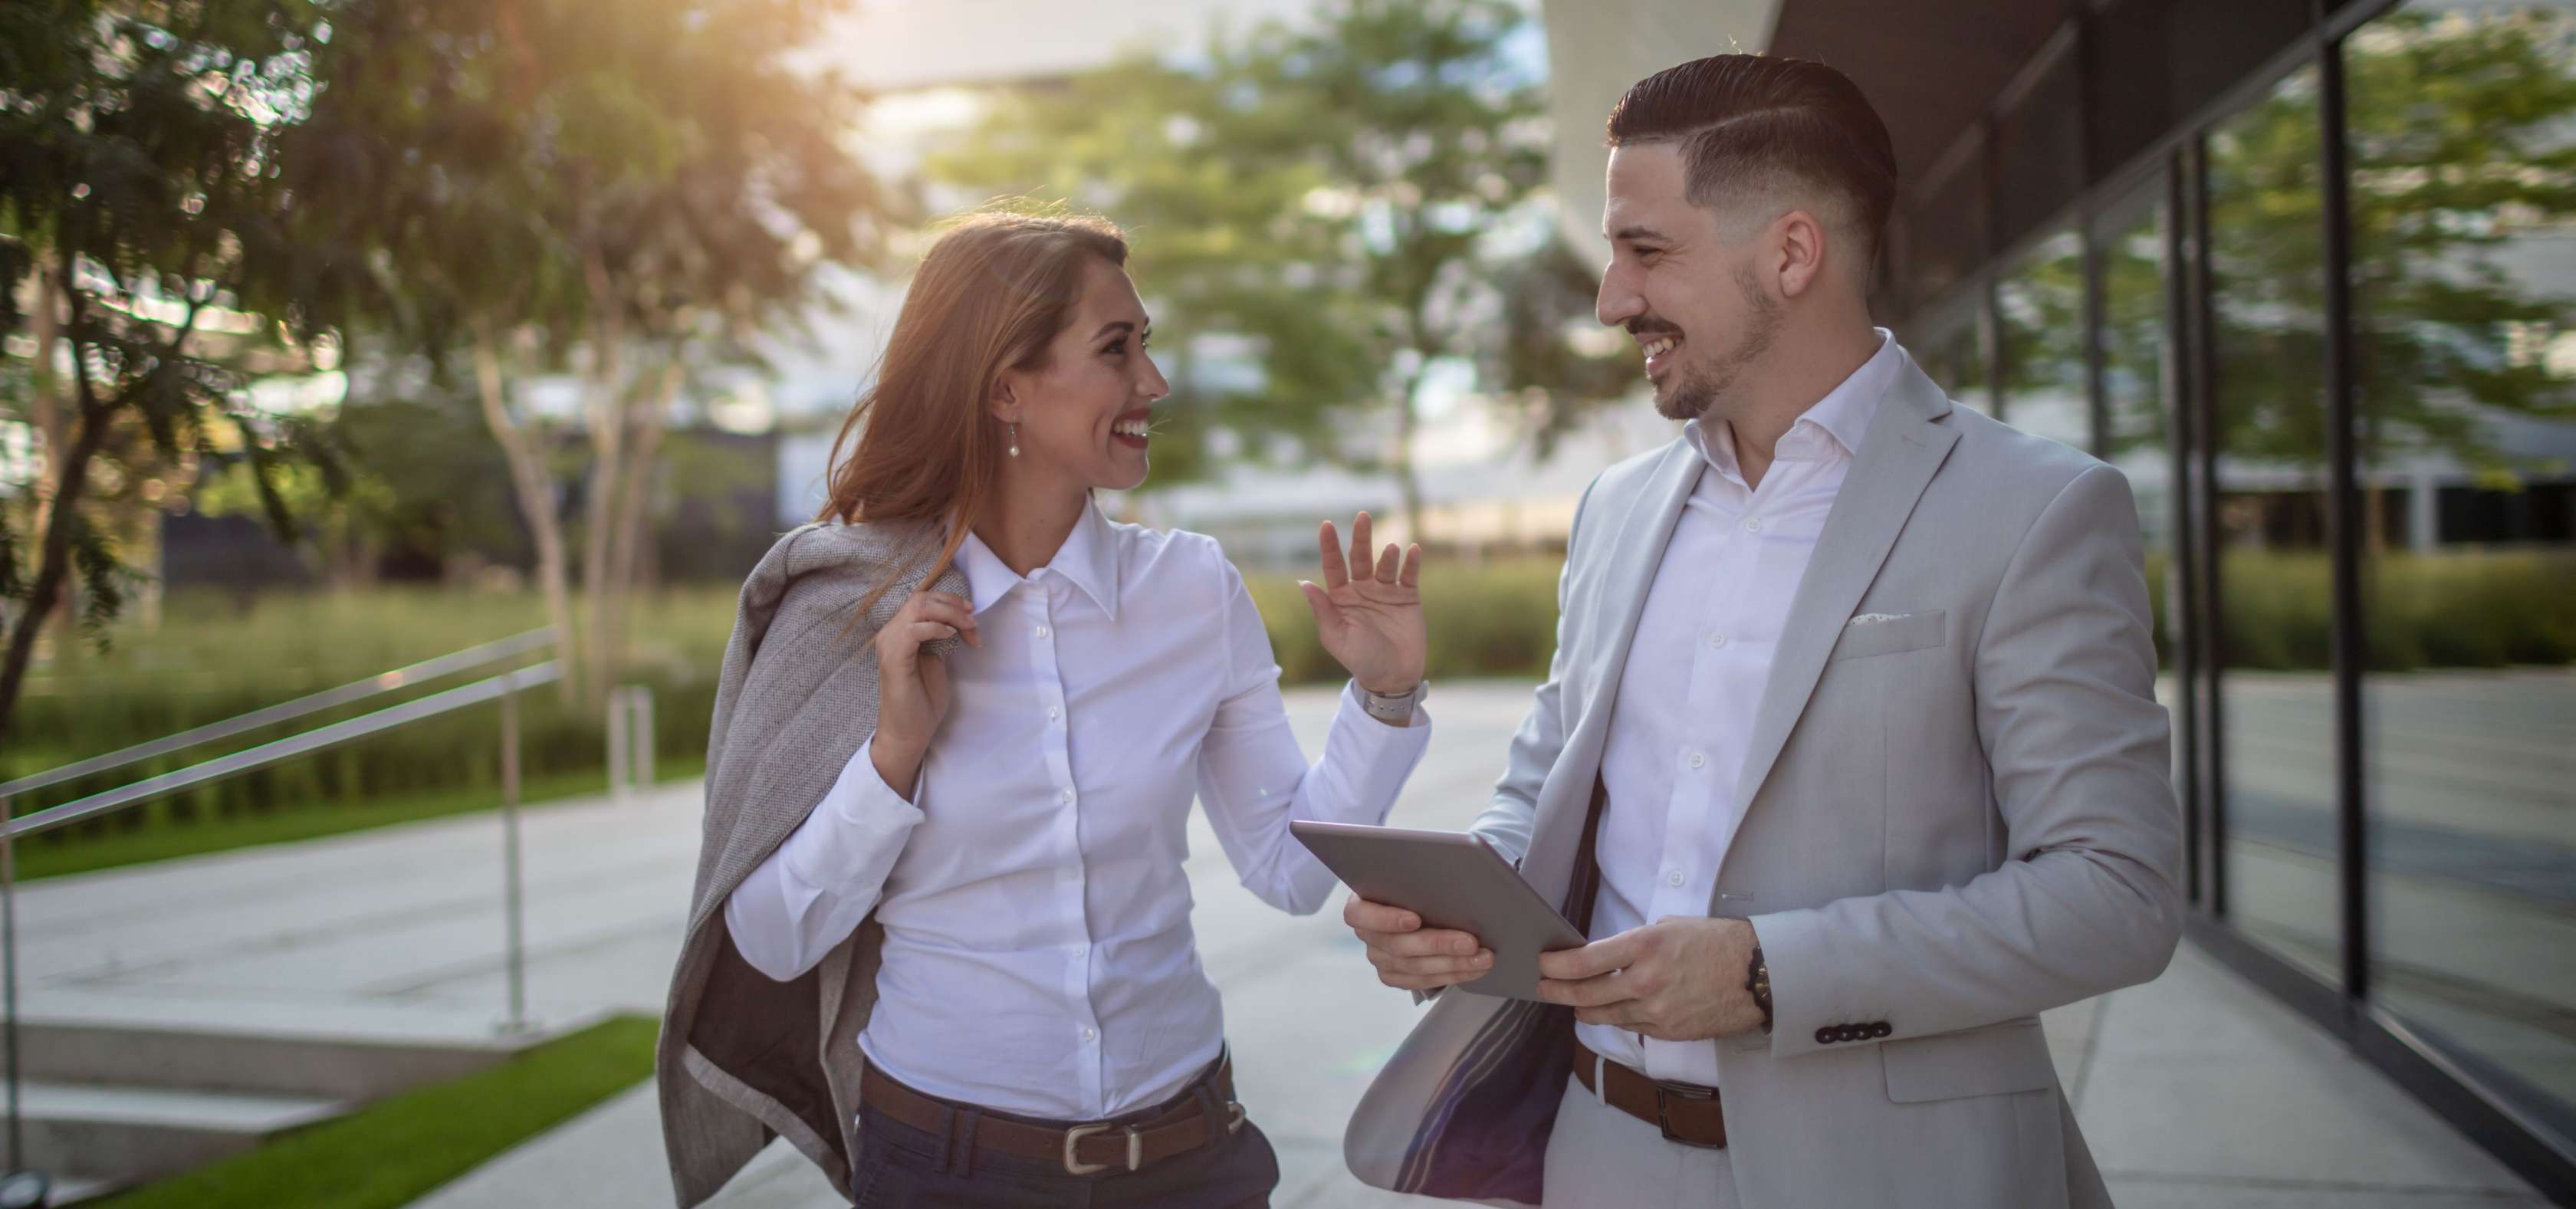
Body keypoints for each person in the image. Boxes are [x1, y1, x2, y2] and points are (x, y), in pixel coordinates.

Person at [1339, 54, 2182, 1209]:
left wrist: (1766, 973)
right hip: (1598, 1159)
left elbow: (2116, 895)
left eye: (1646, 251)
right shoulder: (1617, 508)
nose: (1610, 298)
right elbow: (1547, 787)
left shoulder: (2036, 509)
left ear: (1791, 253)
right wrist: (1462, 914)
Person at [656, 206, 1437, 1209]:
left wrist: (1383, 695)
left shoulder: (1193, 590)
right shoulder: (851, 609)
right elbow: (771, 939)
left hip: (1192, 1161)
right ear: (1005, 389)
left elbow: (1287, 870)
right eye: (1117, 350)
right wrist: (895, 750)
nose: (1152, 383)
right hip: (947, 1171)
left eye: (1146, 346)